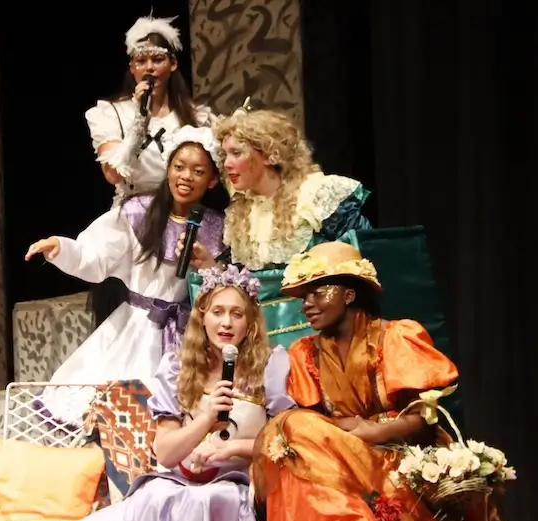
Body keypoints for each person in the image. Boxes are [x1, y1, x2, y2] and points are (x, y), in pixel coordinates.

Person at [250, 242, 506, 521]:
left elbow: (423, 419)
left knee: (293, 430)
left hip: (396, 457)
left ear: (349, 293)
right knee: (292, 440)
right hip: (335, 463)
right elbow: (315, 430)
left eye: (318, 292)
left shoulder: (396, 336)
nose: (307, 304)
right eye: (303, 296)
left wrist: (367, 431)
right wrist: (346, 433)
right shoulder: (306, 353)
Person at [43, 265, 295, 521]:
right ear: (202, 317)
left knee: (211, 501)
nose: (226, 323)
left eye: (236, 313)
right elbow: (165, 453)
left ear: (250, 322)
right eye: (217, 312)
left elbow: (284, 439)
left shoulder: (271, 365)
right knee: (152, 499)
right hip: (180, 479)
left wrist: (232, 450)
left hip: (238, 482)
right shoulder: (177, 367)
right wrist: (206, 419)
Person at [24, 127, 226, 422]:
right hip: (138, 328)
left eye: (198, 171)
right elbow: (95, 255)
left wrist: (208, 266)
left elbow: (227, 286)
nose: (186, 177)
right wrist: (62, 248)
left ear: (212, 180)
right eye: (179, 167)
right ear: (168, 168)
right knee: (123, 412)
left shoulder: (217, 227)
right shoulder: (139, 212)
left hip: (190, 334)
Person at [180, 107, 374, 348]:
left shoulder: (315, 196)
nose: (227, 164)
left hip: (322, 337)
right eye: (225, 155)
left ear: (269, 155)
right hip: (264, 342)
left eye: (236, 153)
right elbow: (245, 288)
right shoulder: (241, 213)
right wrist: (209, 265)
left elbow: (362, 260)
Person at [84, 14, 217, 329]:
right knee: (135, 317)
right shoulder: (111, 113)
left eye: (157, 59)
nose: (149, 67)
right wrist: (139, 119)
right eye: (140, 60)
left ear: (172, 64)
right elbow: (113, 174)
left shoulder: (197, 117)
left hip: (184, 217)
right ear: (132, 68)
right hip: (135, 222)